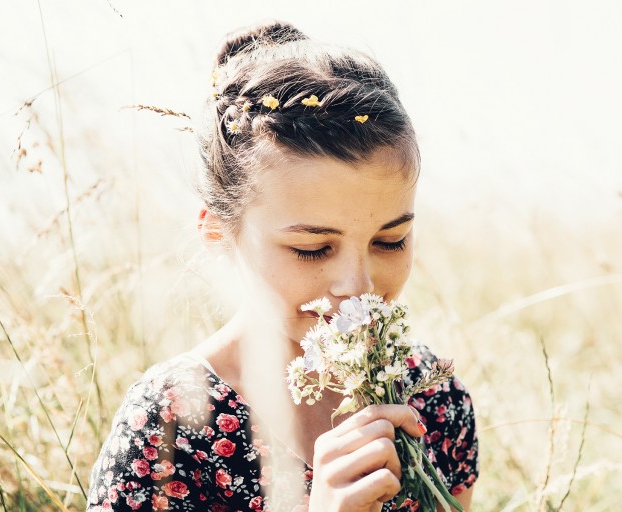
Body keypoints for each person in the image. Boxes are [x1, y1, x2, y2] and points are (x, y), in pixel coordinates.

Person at [87, 21, 478, 512]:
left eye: (390, 239)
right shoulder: (169, 423)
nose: (358, 286)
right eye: (312, 249)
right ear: (219, 236)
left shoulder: (434, 399)